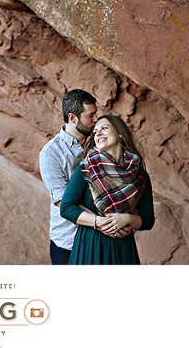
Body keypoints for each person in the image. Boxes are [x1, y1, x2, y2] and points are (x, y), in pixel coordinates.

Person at [60, 114, 154, 264]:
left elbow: (148, 219)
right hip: (91, 246)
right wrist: (102, 223)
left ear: (120, 133)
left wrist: (127, 219)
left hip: (123, 248)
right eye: (96, 131)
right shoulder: (87, 167)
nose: (98, 133)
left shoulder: (140, 175)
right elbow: (66, 207)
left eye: (104, 128)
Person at [38, 89, 98, 265]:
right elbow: (63, 202)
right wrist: (104, 221)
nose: (96, 120)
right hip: (69, 243)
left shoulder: (101, 142)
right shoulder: (51, 153)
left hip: (101, 240)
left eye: (96, 114)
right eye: (90, 115)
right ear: (72, 118)